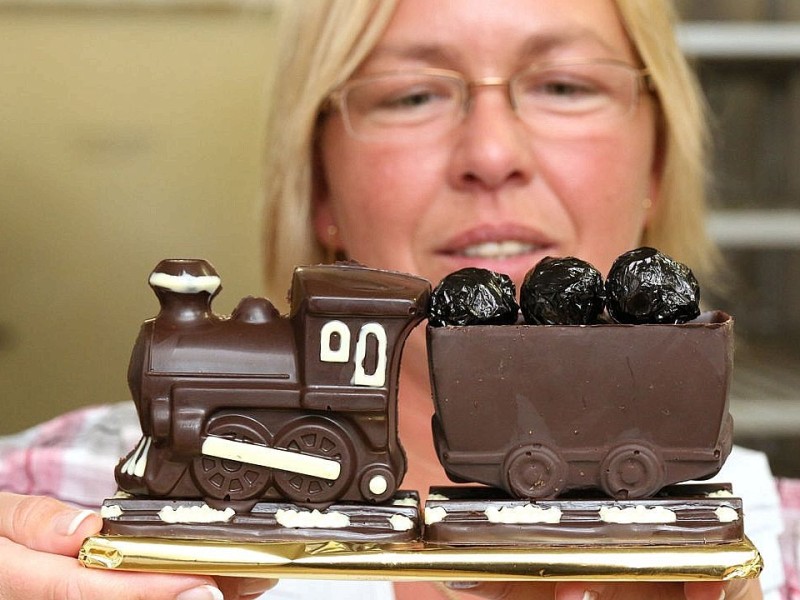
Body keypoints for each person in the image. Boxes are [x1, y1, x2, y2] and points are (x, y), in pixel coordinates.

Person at [0, 1, 788, 599]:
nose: (490, 153)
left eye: (563, 84)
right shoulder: (34, 484)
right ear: (320, 187)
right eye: (411, 95)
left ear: (657, 166)